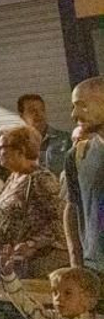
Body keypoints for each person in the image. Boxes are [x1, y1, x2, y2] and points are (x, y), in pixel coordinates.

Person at [0, 125, 70, 278]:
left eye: (1, 148)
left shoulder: (40, 179)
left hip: (38, 264)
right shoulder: (13, 178)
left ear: (20, 150)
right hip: (12, 261)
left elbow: (59, 222)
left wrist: (33, 244)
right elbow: (4, 217)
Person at [68, 78, 104, 271]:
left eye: (82, 105)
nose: (74, 114)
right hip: (95, 268)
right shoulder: (77, 155)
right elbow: (72, 208)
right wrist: (75, 260)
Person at [20, 93, 74, 175]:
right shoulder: (19, 144)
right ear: (22, 116)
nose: (38, 114)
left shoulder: (66, 139)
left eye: (41, 109)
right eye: (32, 110)